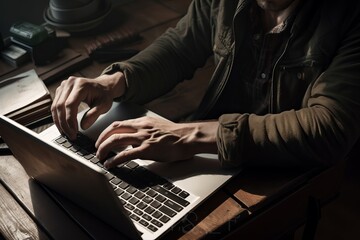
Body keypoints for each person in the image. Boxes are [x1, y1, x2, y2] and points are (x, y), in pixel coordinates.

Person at [51, 0, 360, 170]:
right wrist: (113, 81)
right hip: (206, 148)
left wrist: (191, 134)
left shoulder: (350, 17)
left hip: (283, 167)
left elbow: (330, 127)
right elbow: (180, 48)